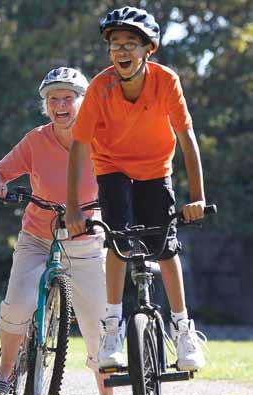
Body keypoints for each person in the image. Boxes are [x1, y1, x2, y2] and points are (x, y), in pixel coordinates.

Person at [65, 6, 207, 372]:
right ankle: (113, 328)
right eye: (115, 45)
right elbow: (80, 146)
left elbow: (186, 136)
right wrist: (73, 208)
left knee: (165, 245)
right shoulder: (100, 86)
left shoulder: (166, 81)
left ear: (149, 49)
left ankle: (182, 328)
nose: (122, 51)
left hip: (156, 170)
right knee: (118, 240)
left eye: (131, 43)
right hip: (111, 167)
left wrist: (197, 197)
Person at [0, 67, 120, 395]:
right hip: (38, 238)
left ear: (82, 102)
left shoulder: (102, 138)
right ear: (45, 105)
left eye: (68, 98)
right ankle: (5, 369)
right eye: (52, 99)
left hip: (86, 238)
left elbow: (123, 176)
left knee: (99, 322)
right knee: (18, 301)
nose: (60, 105)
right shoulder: (35, 140)